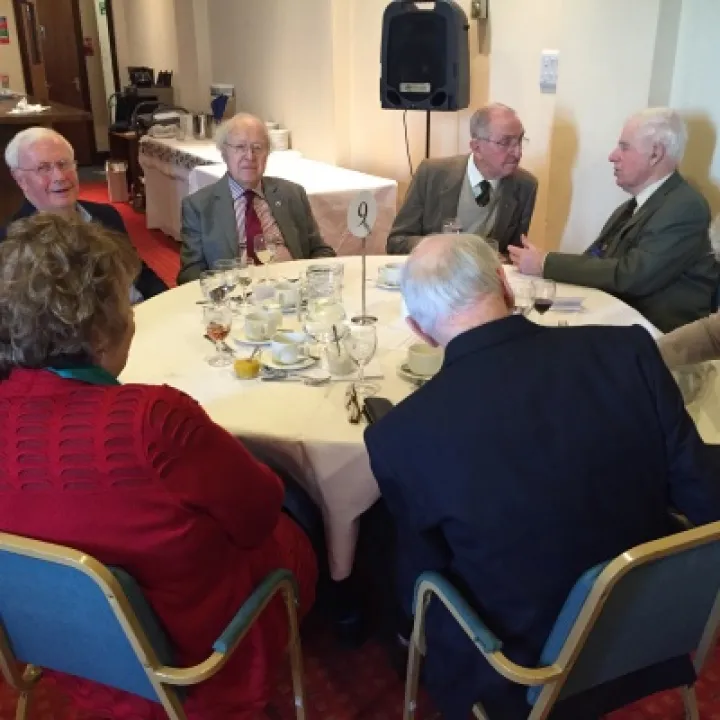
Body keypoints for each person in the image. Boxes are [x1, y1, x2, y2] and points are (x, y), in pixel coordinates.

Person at [365, 233, 720, 720]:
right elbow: (705, 497)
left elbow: (423, 585)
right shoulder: (628, 350)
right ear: (505, 286)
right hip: (658, 632)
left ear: (419, 331)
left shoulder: (400, 436)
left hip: (526, 671)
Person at [0, 213, 317, 720]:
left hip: (63, 652)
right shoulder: (153, 420)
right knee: (299, 513)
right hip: (189, 663)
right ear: (102, 330)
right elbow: (258, 515)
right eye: (125, 303)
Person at [509, 107, 718, 333]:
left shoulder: (685, 207)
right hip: (617, 320)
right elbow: (595, 258)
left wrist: (545, 263)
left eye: (624, 147)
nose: (613, 156)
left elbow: (633, 276)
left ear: (655, 154)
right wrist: (544, 264)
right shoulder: (633, 206)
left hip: (657, 335)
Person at [1, 126, 167, 301]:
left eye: (63, 164)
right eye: (43, 168)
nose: (59, 177)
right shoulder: (11, 241)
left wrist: (167, 301)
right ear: (20, 179)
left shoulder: (106, 215)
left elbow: (138, 272)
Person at [177, 113, 335, 284]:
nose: (250, 156)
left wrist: (314, 281)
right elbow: (190, 273)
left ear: (267, 153)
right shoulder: (199, 206)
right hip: (237, 293)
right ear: (224, 153)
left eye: (258, 147)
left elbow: (319, 250)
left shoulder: (292, 194)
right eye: (240, 147)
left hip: (293, 289)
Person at [386, 103, 538, 255]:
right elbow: (397, 242)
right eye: (505, 142)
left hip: (487, 270)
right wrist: (444, 249)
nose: (518, 152)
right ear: (477, 148)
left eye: (520, 140)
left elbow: (513, 253)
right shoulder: (432, 174)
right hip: (435, 267)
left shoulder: (525, 186)